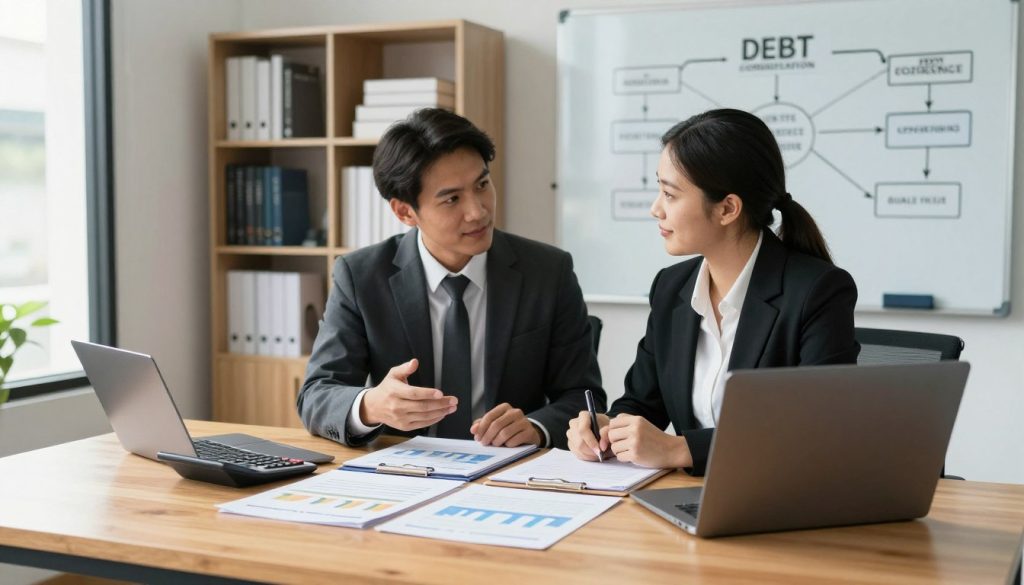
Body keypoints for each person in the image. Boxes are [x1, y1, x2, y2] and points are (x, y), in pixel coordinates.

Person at [566, 108, 859, 475]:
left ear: (727, 209)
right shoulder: (671, 288)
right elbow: (642, 402)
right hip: (686, 499)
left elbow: (814, 429)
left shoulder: (817, 292)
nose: (656, 208)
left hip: (777, 499)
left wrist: (681, 450)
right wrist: (607, 431)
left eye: (670, 195)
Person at [298, 108, 604, 449]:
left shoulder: (548, 272)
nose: (478, 211)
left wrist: (535, 426)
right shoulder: (362, 276)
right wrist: (372, 405)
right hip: (406, 472)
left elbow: (584, 397)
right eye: (452, 199)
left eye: (483, 185)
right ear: (405, 211)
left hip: (511, 474)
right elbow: (317, 394)